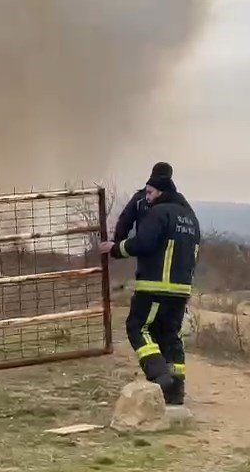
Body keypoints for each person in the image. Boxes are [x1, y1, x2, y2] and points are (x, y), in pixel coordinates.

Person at [99, 173, 200, 405]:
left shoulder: (158, 213)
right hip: (181, 290)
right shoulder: (190, 217)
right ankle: (175, 394)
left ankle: (158, 375)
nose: (147, 197)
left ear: (161, 192)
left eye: (150, 192)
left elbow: (143, 243)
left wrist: (115, 248)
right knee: (170, 336)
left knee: (138, 327)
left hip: (154, 286)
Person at [113, 162, 192, 243]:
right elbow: (189, 225)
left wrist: (117, 246)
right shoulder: (178, 200)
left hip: (144, 247)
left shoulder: (140, 198)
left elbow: (124, 222)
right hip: (169, 250)